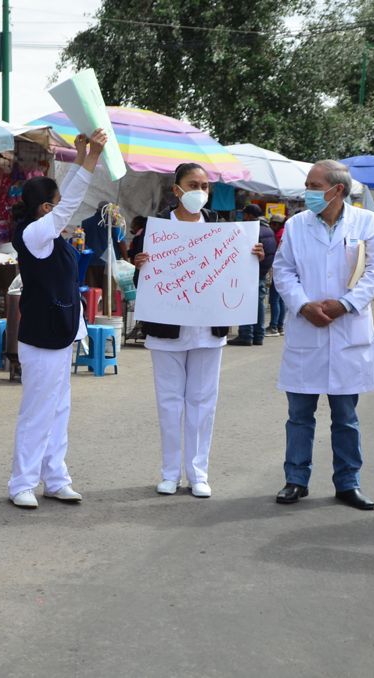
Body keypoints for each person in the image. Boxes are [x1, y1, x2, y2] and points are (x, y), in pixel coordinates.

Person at [131, 164, 265, 498]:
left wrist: (255, 258)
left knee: (203, 402)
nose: (200, 191)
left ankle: (198, 473)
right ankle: (169, 473)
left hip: (208, 329)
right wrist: (141, 265)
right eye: (193, 184)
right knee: (169, 403)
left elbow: (238, 274)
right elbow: (142, 282)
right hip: (166, 328)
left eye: (205, 185)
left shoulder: (222, 228)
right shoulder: (155, 228)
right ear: (176, 189)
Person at [272, 160, 374, 510]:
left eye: (313, 185)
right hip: (306, 330)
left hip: (347, 330)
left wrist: (345, 304)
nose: (306, 192)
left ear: (337, 190)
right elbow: (283, 271)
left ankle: (348, 482)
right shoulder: (295, 226)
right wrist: (303, 305)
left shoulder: (367, 223)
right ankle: (296, 479)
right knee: (299, 416)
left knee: (346, 417)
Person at [8, 129, 108, 509]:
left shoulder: (52, 237)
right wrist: (91, 161)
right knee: (37, 411)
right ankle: (22, 482)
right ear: (45, 210)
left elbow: (63, 203)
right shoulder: (33, 235)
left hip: (63, 334)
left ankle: (55, 477)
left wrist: (81, 157)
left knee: (59, 409)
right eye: (55, 204)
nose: (63, 208)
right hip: (41, 337)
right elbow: (66, 205)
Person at [230, 204, 277, 346]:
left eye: (245, 214)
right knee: (259, 304)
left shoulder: (252, 230)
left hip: (250, 272)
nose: (243, 217)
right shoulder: (268, 229)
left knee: (247, 303)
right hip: (262, 272)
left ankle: (246, 334)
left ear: (249, 215)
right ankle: (258, 335)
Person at [265, 214, 287, 337]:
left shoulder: (279, 235)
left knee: (274, 300)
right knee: (280, 300)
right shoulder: (285, 232)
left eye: (273, 223)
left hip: (278, 270)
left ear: (277, 224)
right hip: (284, 271)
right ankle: (280, 326)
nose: (271, 226)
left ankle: (273, 326)